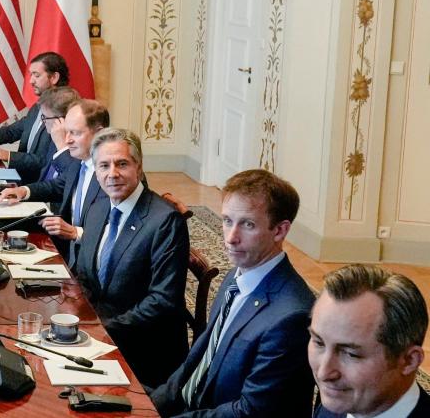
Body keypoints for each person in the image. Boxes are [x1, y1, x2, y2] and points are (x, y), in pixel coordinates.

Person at [151, 169, 316, 417]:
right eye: (227, 220)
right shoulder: (236, 277)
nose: (230, 238)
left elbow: (248, 412)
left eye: (247, 225)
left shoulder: (290, 316)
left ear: (280, 231)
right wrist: (150, 404)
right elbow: (195, 362)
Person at [74, 128, 189, 388]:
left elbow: (163, 300)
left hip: (144, 349)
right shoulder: (99, 206)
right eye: (103, 165)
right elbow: (85, 273)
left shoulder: (164, 221)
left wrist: (104, 330)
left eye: (122, 164)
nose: (112, 174)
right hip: (98, 334)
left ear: (139, 166)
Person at [0, 96, 108, 266]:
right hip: (66, 247)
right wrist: (23, 191)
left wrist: (74, 232)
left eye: (75, 133)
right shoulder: (81, 160)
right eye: (66, 132)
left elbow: (115, 233)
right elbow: (59, 185)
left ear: (99, 133)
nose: (67, 139)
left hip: (89, 261)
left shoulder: (109, 174)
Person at [310, 264, 429, 418]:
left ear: (408, 361)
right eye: (319, 343)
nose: (323, 373)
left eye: (351, 354)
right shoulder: (335, 405)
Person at [0, 51, 68, 182]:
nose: (31, 81)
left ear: (54, 77)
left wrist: (8, 156)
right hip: (20, 181)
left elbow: (48, 161)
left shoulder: (64, 112)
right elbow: (12, 131)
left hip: (41, 189)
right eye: (31, 75)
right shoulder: (37, 107)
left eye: (36, 75)